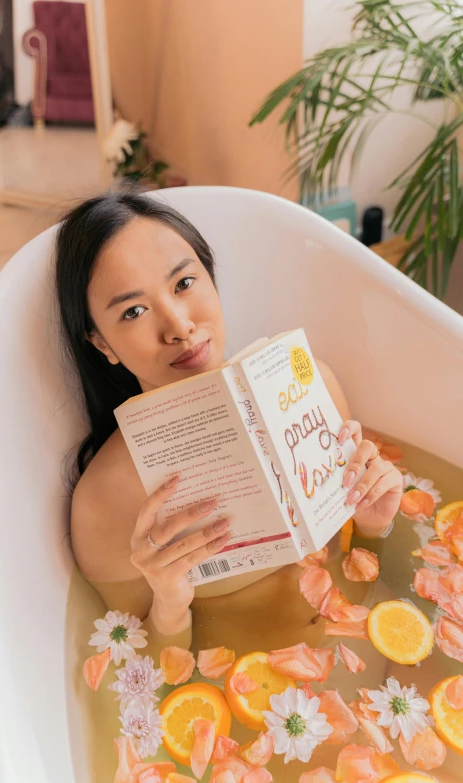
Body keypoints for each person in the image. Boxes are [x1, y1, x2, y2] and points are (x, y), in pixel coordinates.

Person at [55, 190, 403, 666]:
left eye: (184, 283)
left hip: (369, 644)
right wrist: (170, 603)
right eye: (133, 311)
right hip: (249, 698)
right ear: (102, 343)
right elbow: (141, 680)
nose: (178, 325)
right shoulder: (105, 502)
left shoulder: (310, 383)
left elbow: (362, 566)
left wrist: (374, 524)